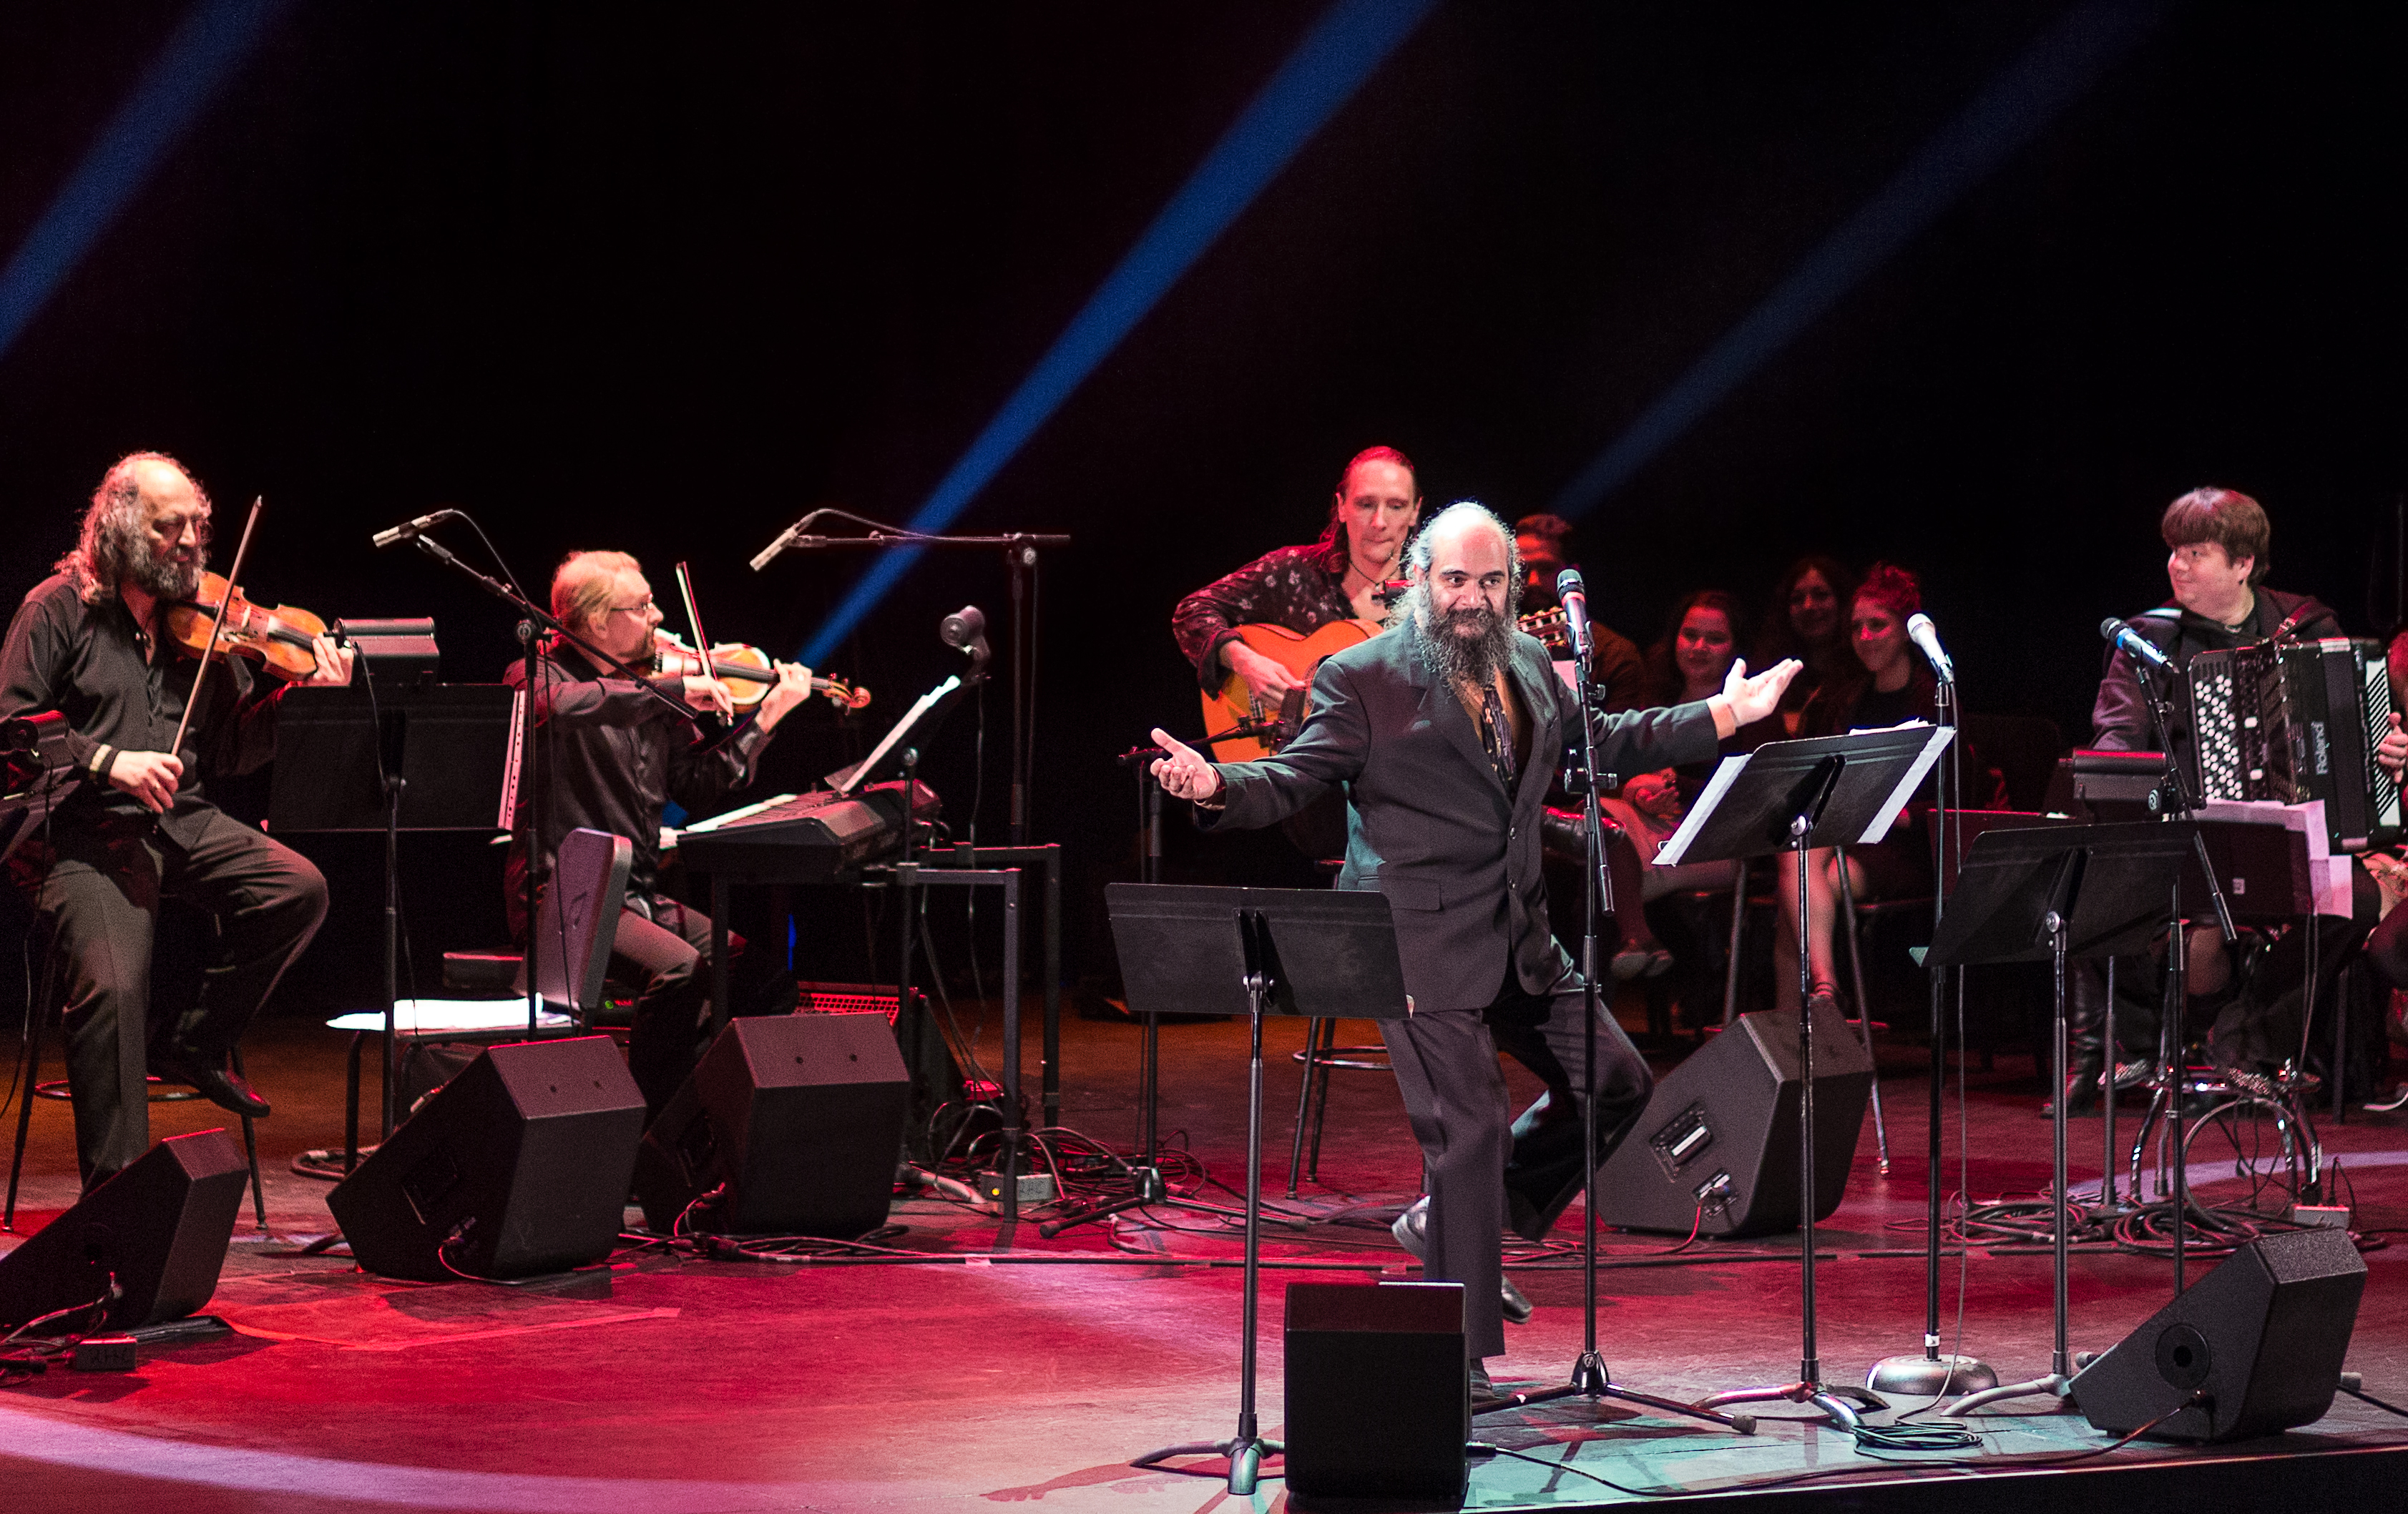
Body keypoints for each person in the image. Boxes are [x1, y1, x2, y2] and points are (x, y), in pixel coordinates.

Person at [1147, 501, 1797, 1387]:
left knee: (1616, 1081)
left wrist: (1721, 715)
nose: (1472, 599)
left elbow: (1598, 740)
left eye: (1491, 582)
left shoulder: (1528, 661)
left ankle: (1460, 1221)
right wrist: (1214, 783)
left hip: (1517, 933)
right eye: (1455, 579)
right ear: (1420, 580)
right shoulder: (1362, 675)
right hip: (1412, 938)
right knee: (1471, 1124)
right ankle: (1456, 1354)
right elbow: (1296, 773)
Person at [1, 453, 353, 1187]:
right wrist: (108, 760)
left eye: (198, 523)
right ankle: (119, 1198)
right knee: (113, 990)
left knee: (297, 889)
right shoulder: (56, 608)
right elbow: (12, 727)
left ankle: (193, 1041)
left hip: (176, 816)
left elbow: (226, 749)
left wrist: (300, 695)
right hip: (81, 829)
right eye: (171, 526)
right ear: (120, 528)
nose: (192, 540)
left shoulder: (200, 621)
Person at [506, 550, 820, 1116]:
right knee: (679, 971)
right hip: (563, 899)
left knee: (761, 980)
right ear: (598, 622)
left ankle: (700, 1116)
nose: (659, 616)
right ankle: (641, 1132)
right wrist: (667, 689)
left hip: (638, 895)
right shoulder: (539, 676)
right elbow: (568, 708)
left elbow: (697, 785)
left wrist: (766, 720)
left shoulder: (652, 690)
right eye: (644, 605)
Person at [1773, 564, 1939, 1015]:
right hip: (1845, 836)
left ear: (1906, 631)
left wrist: (1896, 815)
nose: (1864, 636)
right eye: (1856, 628)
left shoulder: (1934, 700)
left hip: (1903, 846)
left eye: (1877, 625)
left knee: (1800, 893)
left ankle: (1807, 1014)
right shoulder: (1848, 699)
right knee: (1801, 870)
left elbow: (1956, 800)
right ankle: (1825, 990)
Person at [1170, 446, 1422, 709]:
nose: (1379, 522)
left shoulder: (1435, 593)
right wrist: (1245, 662)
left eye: (1396, 506)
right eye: (1365, 504)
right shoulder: (1294, 570)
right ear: (1341, 507)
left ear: (1415, 511)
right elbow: (1192, 611)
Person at [1514, 513, 1647, 714]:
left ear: (1572, 572)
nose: (1533, 581)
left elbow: (1620, 740)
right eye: (1522, 570)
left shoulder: (1614, 655)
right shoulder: (1486, 644)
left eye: (1546, 569)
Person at [1753, 555, 1858, 728]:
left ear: (1842, 601)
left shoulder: (1863, 675)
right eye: (1797, 599)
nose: (1808, 606)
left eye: (1821, 595)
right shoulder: (1768, 674)